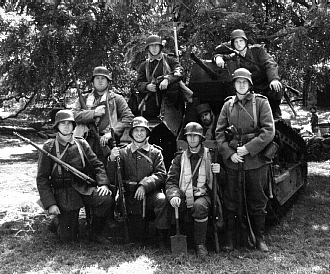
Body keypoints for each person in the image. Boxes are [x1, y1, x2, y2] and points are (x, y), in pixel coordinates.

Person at [215, 68, 275, 252]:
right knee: (232, 200)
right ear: (234, 85)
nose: (241, 85)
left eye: (244, 82)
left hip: (256, 160)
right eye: (238, 82)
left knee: (257, 200)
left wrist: (248, 148)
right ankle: (231, 238)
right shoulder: (228, 105)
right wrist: (229, 153)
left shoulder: (261, 103)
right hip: (234, 160)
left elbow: (268, 131)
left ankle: (259, 237)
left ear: (249, 85)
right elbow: (219, 133)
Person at [36, 110, 114, 244]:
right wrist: (51, 204)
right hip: (63, 193)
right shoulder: (48, 147)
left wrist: (104, 184)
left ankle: (95, 232)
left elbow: (97, 165)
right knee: (68, 239)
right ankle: (57, 221)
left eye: (69, 123)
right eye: (62, 123)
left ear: (74, 126)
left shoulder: (81, 143)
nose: (66, 126)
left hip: (82, 188)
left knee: (105, 199)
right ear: (57, 126)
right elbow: (42, 178)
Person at [107, 116, 170, 247]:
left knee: (162, 200)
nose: (139, 133)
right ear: (131, 133)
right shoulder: (123, 152)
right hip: (130, 196)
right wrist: (112, 159)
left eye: (142, 130)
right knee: (137, 236)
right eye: (136, 130)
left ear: (147, 133)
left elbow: (161, 174)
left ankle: (161, 237)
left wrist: (144, 185)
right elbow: (113, 176)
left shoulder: (156, 152)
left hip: (150, 194)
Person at [166, 122, 221, 257]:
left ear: (201, 138)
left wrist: (219, 172)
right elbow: (171, 180)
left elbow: (221, 183)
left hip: (204, 195)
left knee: (199, 206)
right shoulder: (179, 158)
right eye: (189, 136)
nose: (192, 139)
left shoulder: (211, 156)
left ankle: (200, 244)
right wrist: (174, 195)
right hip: (184, 195)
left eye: (195, 136)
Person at [213, 29, 283, 119]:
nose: (239, 44)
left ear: (245, 41)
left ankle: (274, 114)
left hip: (265, 86)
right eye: (236, 42)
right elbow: (219, 52)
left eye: (241, 41)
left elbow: (270, 64)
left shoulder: (257, 51)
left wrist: (273, 79)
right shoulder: (235, 56)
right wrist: (218, 57)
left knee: (277, 89)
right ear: (233, 44)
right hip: (249, 89)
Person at [72, 66, 134, 164]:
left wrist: (112, 133)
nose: (100, 81)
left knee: (109, 170)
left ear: (108, 82)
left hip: (107, 142)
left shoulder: (116, 99)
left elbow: (128, 117)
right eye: (97, 78)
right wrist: (94, 113)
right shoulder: (83, 98)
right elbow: (74, 115)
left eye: (103, 78)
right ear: (93, 82)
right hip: (85, 141)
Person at [136, 34, 184, 119]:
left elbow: (179, 71)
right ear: (148, 48)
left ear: (160, 47)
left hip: (171, 100)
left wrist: (168, 79)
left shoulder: (169, 59)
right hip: (152, 99)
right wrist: (147, 86)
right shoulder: (144, 65)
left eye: (156, 46)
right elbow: (138, 83)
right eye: (152, 46)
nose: (154, 48)